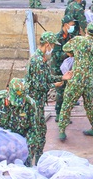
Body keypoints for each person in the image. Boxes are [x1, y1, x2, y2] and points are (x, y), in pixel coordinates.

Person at [25, 31, 73, 164]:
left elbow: (46, 77)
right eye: (52, 46)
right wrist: (54, 84)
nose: (52, 49)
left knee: (40, 131)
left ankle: (38, 159)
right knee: (36, 134)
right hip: (35, 102)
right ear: (47, 45)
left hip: (38, 101)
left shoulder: (39, 58)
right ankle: (31, 161)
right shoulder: (38, 61)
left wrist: (62, 77)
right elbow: (40, 85)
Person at [57, 22, 93, 142]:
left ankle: (61, 131)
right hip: (88, 81)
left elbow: (65, 48)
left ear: (86, 30)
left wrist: (72, 53)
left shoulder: (77, 40)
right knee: (89, 104)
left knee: (67, 104)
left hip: (76, 79)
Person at [0, 78, 39, 167]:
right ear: (8, 90)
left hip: (19, 143)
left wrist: (27, 151)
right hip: (0, 143)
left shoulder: (30, 104)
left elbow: (33, 130)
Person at [51, 15, 76, 121]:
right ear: (66, 25)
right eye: (72, 24)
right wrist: (68, 54)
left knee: (67, 92)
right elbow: (55, 55)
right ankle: (58, 114)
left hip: (67, 68)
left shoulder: (69, 36)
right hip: (58, 68)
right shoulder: (58, 38)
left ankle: (64, 114)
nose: (73, 26)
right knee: (60, 92)